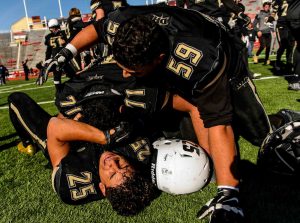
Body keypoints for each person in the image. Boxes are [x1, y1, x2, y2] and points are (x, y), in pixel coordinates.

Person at [44, 5, 272, 222]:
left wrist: (227, 191)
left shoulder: (203, 62)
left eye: (131, 70)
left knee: (259, 133)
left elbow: (217, 123)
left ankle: (279, 125)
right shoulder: (121, 24)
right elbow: (97, 28)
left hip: (218, 46)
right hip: (168, 44)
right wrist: (67, 51)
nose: (124, 75)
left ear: (159, 59)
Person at [8, 91, 158, 216]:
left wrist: (104, 137)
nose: (112, 163)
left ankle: (27, 143)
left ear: (102, 188)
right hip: (94, 132)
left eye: (111, 174)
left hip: (67, 145)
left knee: (16, 99)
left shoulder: (73, 182)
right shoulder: (140, 154)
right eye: (123, 166)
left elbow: (55, 127)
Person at [272, 0, 295, 74]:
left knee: (291, 45)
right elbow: (273, 11)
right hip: (282, 23)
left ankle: (288, 64)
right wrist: (270, 18)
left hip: (291, 23)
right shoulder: (278, 1)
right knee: (283, 44)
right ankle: (277, 62)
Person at [44, 19, 68, 88]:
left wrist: (47, 60)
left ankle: (60, 92)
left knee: (57, 78)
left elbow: (48, 51)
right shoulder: (64, 33)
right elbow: (48, 50)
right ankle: (60, 92)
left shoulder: (48, 37)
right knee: (57, 77)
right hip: (63, 58)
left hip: (59, 59)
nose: (52, 29)